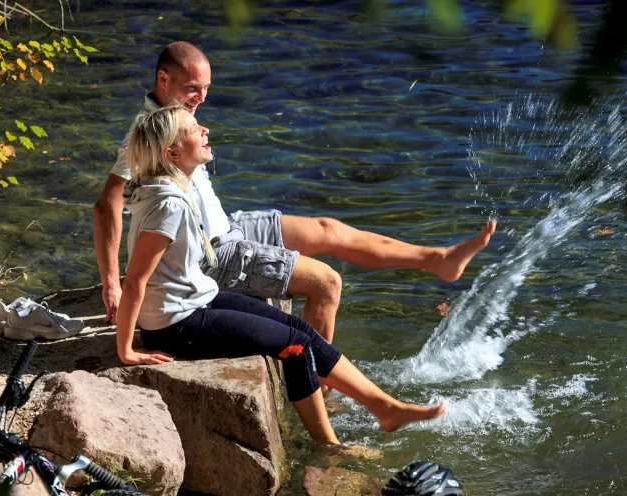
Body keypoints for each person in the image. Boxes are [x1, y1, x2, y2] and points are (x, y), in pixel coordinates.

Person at [95, 41, 496, 344]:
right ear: (163, 80)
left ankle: (438, 260)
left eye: (207, 89)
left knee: (329, 229)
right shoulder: (148, 130)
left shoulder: (176, 115)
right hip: (216, 254)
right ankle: (321, 393)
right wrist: (112, 282)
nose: (202, 98)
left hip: (228, 227)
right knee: (327, 284)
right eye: (192, 88)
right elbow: (107, 203)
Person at [114, 105, 446, 446]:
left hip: (197, 300)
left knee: (301, 330)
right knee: (296, 347)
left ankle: (384, 407)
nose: (206, 130)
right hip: (177, 325)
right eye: (195, 129)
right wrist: (126, 348)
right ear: (172, 152)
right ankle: (330, 447)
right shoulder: (167, 205)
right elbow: (137, 278)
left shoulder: (171, 188)